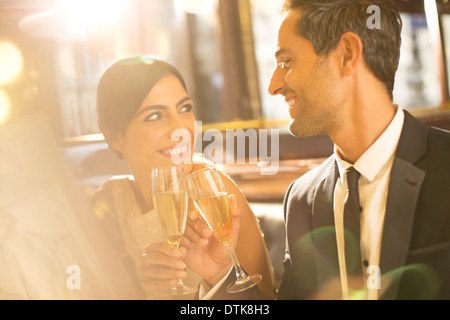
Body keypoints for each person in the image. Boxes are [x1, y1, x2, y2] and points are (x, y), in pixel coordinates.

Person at [190, 0, 450, 300]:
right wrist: (220, 275)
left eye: (286, 62)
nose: (274, 85)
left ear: (347, 54)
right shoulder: (303, 199)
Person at [91, 56, 274, 299]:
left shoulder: (214, 192)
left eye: (184, 109)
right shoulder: (107, 208)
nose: (181, 129)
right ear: (115, 137)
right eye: (155, 116)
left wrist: (218, 277)